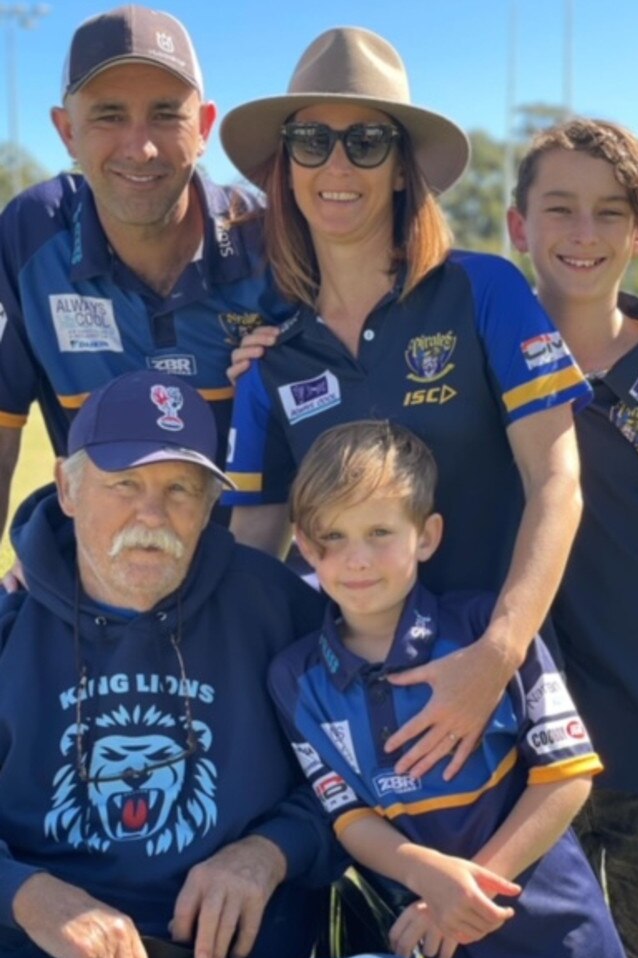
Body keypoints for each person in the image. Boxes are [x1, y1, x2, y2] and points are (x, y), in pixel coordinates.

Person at [218, 25, 590, 781]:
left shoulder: (484, 290)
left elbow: (558, 481)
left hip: (506, 698)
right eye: (312, 139)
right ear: (286, 165)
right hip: (358, 722)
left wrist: (496, 654)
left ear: (400, 167)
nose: (336, 163)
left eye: (366, 141)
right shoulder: (271, 362)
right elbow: (252, 548)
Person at [0, 371, 441, 958]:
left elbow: (362, 772)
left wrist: (269, 851)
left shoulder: (279, 609)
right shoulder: (11, 625)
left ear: (211, 504)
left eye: (181, 488)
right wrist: (26, 894)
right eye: (124, 483)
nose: (151, 513)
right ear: (68, 487)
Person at [268, 419, 637, 958]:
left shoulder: (486, 632)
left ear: (427, 536)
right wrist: (427, 878)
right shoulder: (296, 679)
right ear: (305, 546)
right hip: (440, 950)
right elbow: (349, 817)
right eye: (332, 537)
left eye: (380, 531)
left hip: (560, 935)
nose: (356, 559)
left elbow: (567, 779)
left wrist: (466, 893)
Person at [0, 4, 291, 540]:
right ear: (66, 131)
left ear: (203, 126)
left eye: (165, 114)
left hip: (248, 567)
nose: (142, 148)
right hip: (97, 578)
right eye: (109, 115)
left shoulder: (273, 241)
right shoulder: (29, 236)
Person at [507, 117, 638, 958]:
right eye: (559, 209)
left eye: (611, 212)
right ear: (518, 225)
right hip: (515, 751)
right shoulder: (476, 355)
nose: (584, 234)